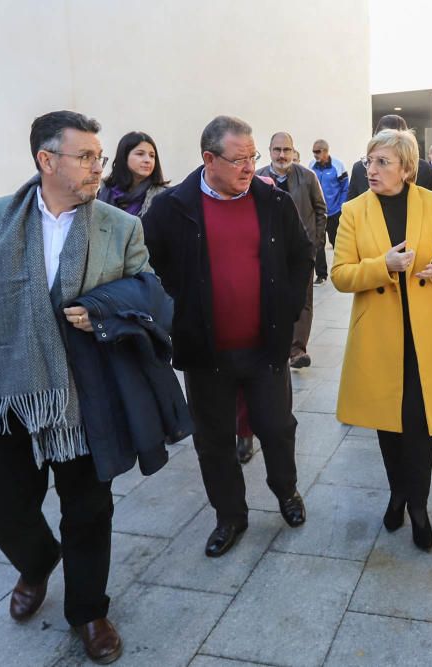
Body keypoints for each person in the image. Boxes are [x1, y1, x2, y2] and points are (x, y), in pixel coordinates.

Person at [0, 110, 147, 663]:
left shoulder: (118, 225)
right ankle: (37, 562)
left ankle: (89, 610)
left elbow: (148, 293)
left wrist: (105, 311)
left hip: (86, 393)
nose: (96, 168)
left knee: (88, 509)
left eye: (98, 157)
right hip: (3, 387)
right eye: (85, 157)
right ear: (46, 160)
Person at [142, 116, 313, 558]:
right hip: (206, 352)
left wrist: (290, 309)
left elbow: (300, 256)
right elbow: (147, 269)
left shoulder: (272, 201)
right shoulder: (172, 208)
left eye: (252, 157)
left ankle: (286, 492)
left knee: (276, 428)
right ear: (208, 160)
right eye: (239, 159)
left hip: (265, 345)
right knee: (214, 440)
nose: (249, 167)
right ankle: (230, 516)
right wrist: (174, 318)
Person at [332, 129, 432, 551]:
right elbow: (340, 275)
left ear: (407, 168)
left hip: (425, 333)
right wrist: (382, 265)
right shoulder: (354, 210)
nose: (371, 170)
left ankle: (419, 507)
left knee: (421, 422)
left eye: (382, 163)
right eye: (369, 161)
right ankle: (396, 493)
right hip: (379, 335)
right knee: (388, 422)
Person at [258, 131, 328, 369]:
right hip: (268, 252)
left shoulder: (307, 177)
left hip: (301, 252)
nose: (282, 154)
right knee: (269, 298)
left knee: (302, 299)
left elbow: (321, 210)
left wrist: (316, 243)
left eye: (286, 149)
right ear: (269, 152)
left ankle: (297, 350)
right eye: (277, 150)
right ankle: (274, 343)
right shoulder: (257, 179)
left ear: (293, 151)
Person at [347, 114, 432, 201]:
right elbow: (351, 201)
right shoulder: (359, 168)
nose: (371, 171)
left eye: (383, 162)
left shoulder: (424, 169)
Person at [97, 131, 169, 218]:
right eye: (140, 154)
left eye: (152, 156)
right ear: (124, 157)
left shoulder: (164, 197)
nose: (147, 160)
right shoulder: (104, 190)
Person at [309, 139, 349, 285]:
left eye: (317, 151)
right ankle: (321, 275)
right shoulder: (311, 167)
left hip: (334, 212)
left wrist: (341, 205)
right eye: (313, 151)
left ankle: (342, 269)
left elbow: (345, 187)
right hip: (318, 213)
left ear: (326, 151)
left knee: (336, 242)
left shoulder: (338, 166)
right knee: (319, 243)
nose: (315, 155)